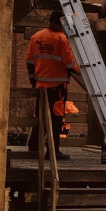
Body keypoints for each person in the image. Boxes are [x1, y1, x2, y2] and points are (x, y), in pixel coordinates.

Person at [27, 11, 78, 160]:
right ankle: (53, 151)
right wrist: (80, 70)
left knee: (40, 117)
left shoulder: (35, 37)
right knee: (56, 120)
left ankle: (33, 148)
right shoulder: (61, 39)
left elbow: (30, 62)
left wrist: (33, 81)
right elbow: (69, 64)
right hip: (57, 87)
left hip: (41, 87)